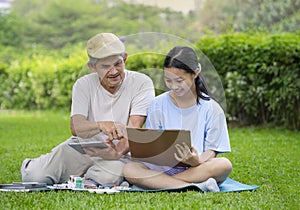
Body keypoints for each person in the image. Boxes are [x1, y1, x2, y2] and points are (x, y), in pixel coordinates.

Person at [21, 33, 155, 186]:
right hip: (83, 147)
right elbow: (76, 127)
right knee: (34, 177)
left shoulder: (141, 82)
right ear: (92, 67)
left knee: (106, 179)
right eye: (105, 66)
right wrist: (101, 125)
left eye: (118, 64)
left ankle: (86, 178)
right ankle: (36, 165)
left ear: (124, 59)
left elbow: (134, 130)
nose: (113, 72)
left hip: (120, 154)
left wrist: (116, 151)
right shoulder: (83, 84)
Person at [123, 46, 232, 192]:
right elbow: (153, 143)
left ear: (195, 73)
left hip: (196, 168)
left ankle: (158, 183)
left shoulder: (212, 109)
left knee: (223, 165)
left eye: (179, 80)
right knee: (130, 168)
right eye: (168, 80)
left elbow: (211, 151)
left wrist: (196, 160)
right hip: (162, 168)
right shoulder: (157, 104)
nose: (173, 86)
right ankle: (196, 186)